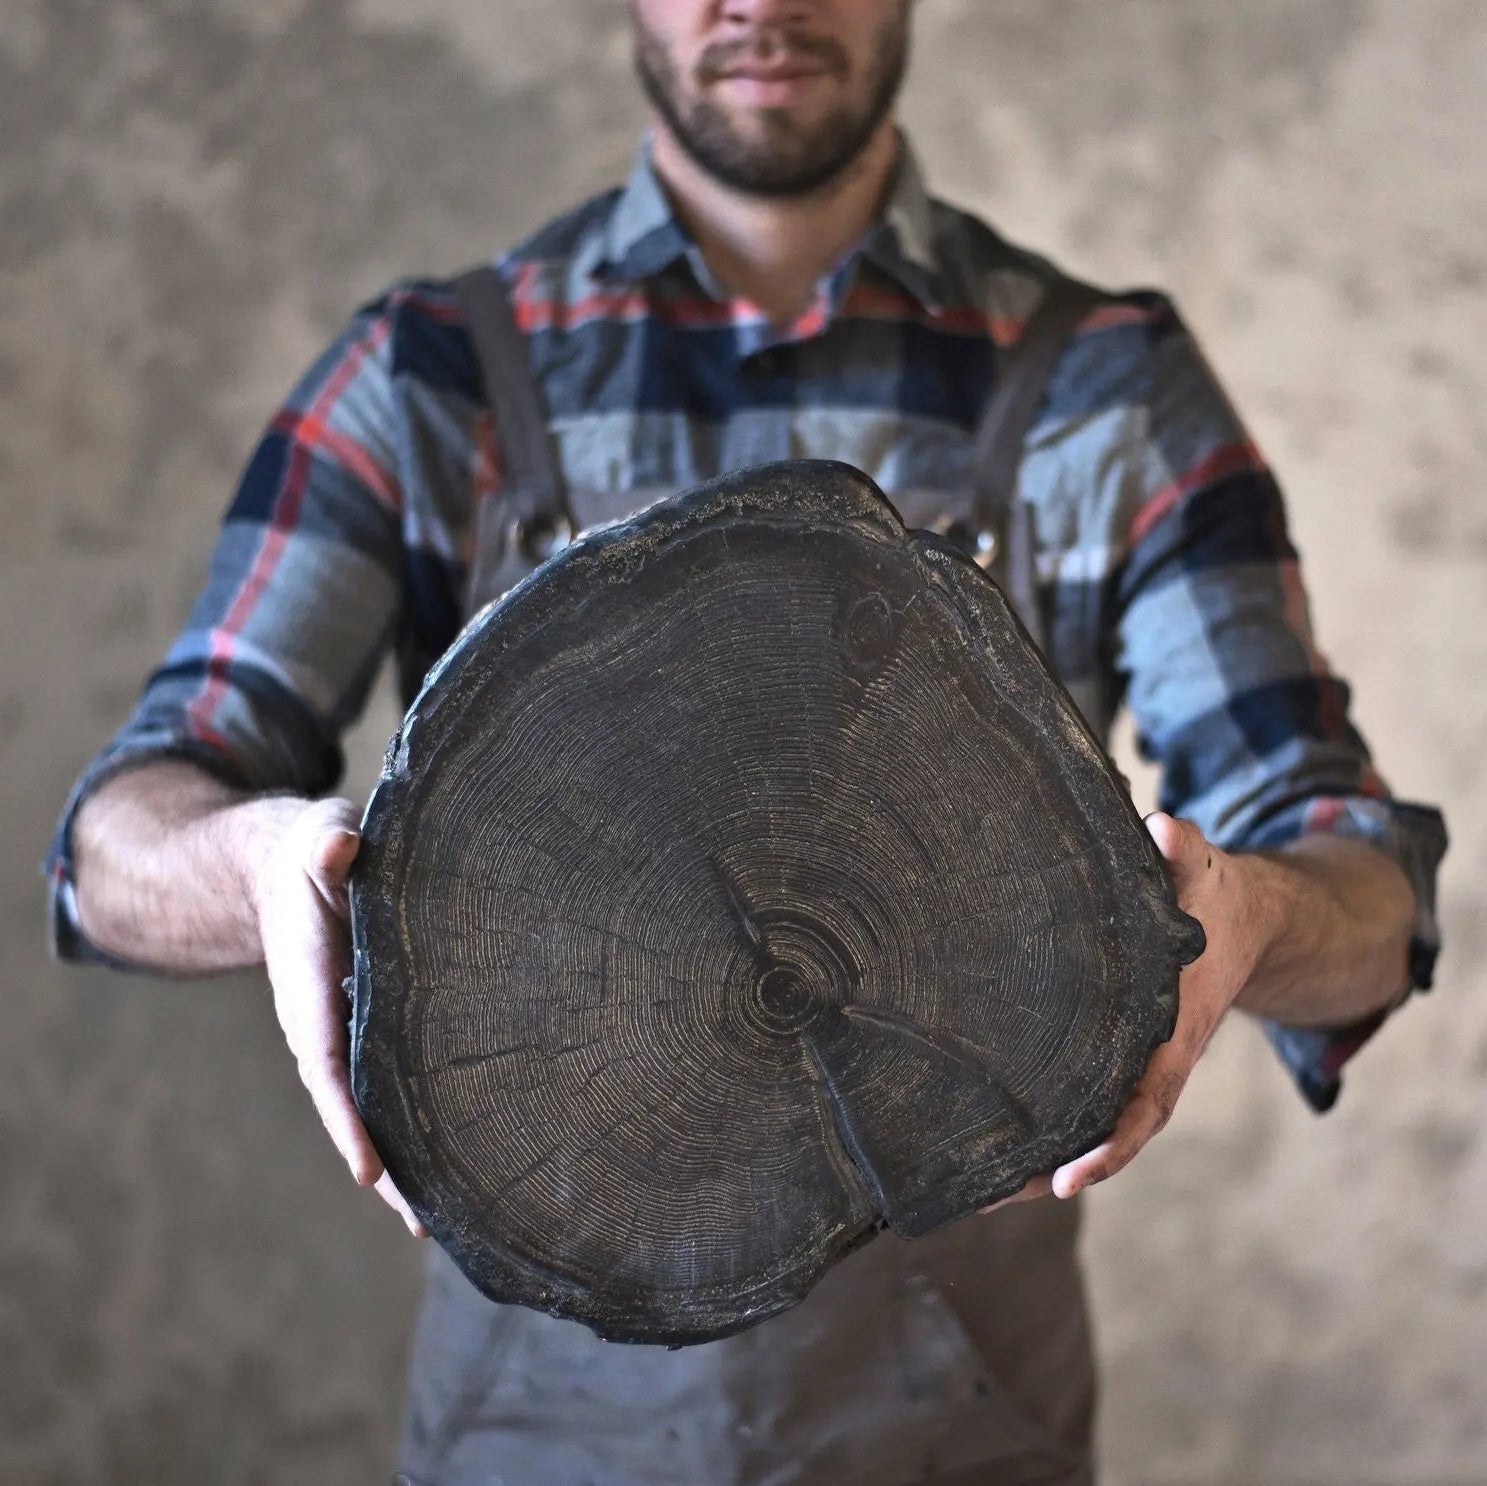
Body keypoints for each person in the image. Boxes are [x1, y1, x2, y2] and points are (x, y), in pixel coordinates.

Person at [48, 2, 1448, 1482]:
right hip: (537, 1422)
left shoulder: (1106, 387)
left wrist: (1253, 914)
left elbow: (1358, 879)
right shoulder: (436, 372)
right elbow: (115, 840)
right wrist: (264, 860)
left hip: (957, 1409)